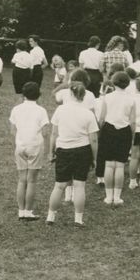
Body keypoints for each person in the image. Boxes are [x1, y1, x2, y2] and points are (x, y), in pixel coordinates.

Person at [46, 82, 99, 227]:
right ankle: (78, 219)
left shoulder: (60, 110)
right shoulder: (88, 113)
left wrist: (50, 152)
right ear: (83, 96)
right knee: (79, 185)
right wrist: (95, 158)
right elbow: (93, 139)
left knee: (59, 185)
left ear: (70, 94)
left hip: (63, 150)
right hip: (82, 150)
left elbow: (54, 134)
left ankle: (51, 216)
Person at [9, 82, 50, 221]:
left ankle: (21, 211)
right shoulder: (41, 110)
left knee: (22, 180)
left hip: (20, 145)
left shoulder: (16, 109)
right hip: (35, 145)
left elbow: (12, 130)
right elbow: (45, 131)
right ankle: (28, 211)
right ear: (38, 94)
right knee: (31, 181)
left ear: (23, 94)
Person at [96, 71, 135, 206]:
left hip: (108, 130)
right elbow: (133, 121)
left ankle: (108, 197)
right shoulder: (131, 99)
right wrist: (133, 135)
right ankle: (117, 197)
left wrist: (99, 131)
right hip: (124, 131)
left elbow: (101, 118)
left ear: (113, 82)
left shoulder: (107, 97)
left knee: (108, 164)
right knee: (120, 165)